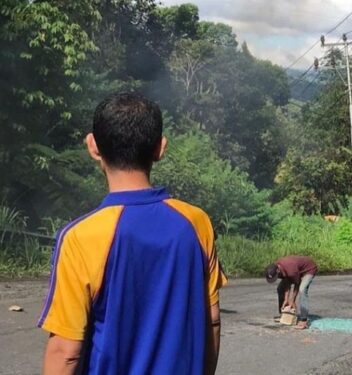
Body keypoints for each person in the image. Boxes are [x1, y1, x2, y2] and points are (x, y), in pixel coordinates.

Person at [37, 92, 227, 374]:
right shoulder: (196, 223)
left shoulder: (81, 236)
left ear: (93, 146)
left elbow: (66, 352)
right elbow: (211, 319)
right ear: (160, 149)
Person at [266, 255, 318, 329]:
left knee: (302, 289)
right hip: (294, 270)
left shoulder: (291, 269)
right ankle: (283, 314)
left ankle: (304, 320)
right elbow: (287, 281)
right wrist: (286, 299)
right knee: (280, 288)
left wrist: (292, 300)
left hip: (309, 269)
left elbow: (297, 283)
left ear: (278, 270)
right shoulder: (276, 268)